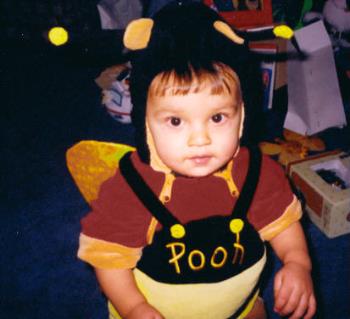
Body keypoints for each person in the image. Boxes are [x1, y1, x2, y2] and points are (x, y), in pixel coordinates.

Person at [73, 2, 316, 318]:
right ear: (146, 123)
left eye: (217, 117)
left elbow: (283, 224)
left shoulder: (258, 173)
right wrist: (133, 307)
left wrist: (298, 263)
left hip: (240, 308)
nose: (199, 140)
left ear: (242, 116)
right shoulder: (132, 189)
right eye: (175, 121)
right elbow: (109, 258)